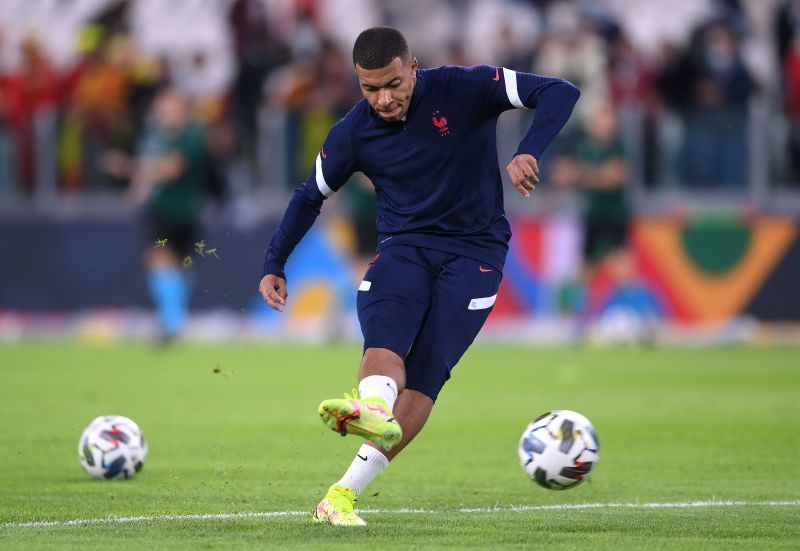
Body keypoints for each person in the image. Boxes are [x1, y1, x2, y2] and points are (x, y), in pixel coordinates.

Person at [258, 27, 579, 526]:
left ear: (413, 67)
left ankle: (340, 493)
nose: (382, 99)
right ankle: (373, 413)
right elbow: (309, 196)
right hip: (403, 248)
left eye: (392, 84)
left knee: (426, 375)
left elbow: (559, 91)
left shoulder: (464, 86)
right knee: (385, 337)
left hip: (476, 253)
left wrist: (529, 149)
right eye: (369, 88)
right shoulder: (353, 131)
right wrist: (274, 262)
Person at [125, 87, 209, 342]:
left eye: (169, 108)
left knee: (163, 259)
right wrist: (137, 188)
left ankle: (172, 322)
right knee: (168, 260)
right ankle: (173, 321)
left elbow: (172, 169)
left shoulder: (191, 136)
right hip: (165, 212)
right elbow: (152, 169)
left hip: (180, 212)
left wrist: (131, 169)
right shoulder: (160, 137)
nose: (164, 114)